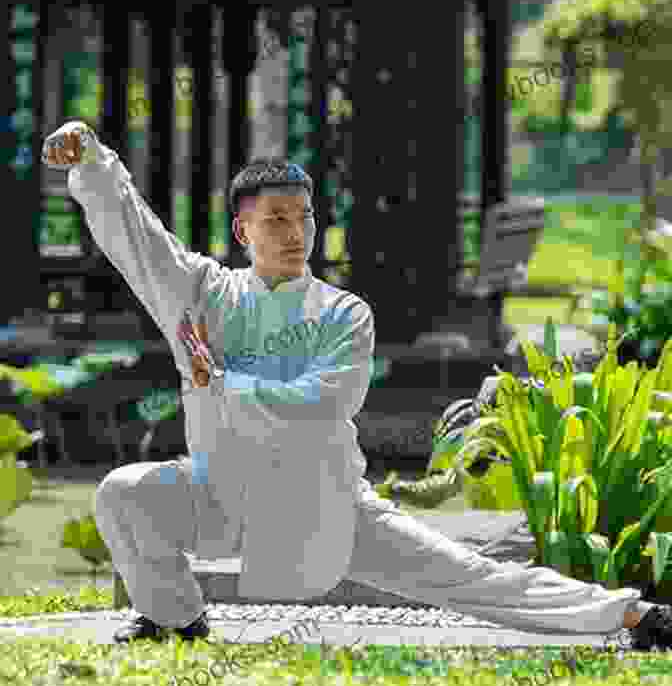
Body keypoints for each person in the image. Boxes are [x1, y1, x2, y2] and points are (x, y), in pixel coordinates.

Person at [42, 120, 672, 651]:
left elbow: (326, 403)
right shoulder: (204, 294)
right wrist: (95, 163)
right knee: (125, 493)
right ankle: (175, 621)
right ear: (243, 233)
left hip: (321, 506)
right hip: (220, 495)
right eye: (276, 219)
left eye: (305, 217)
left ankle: (632, 615)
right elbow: (139, 243)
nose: (295, 233)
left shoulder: (344, 312)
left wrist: (225, 383)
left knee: (469, 576)